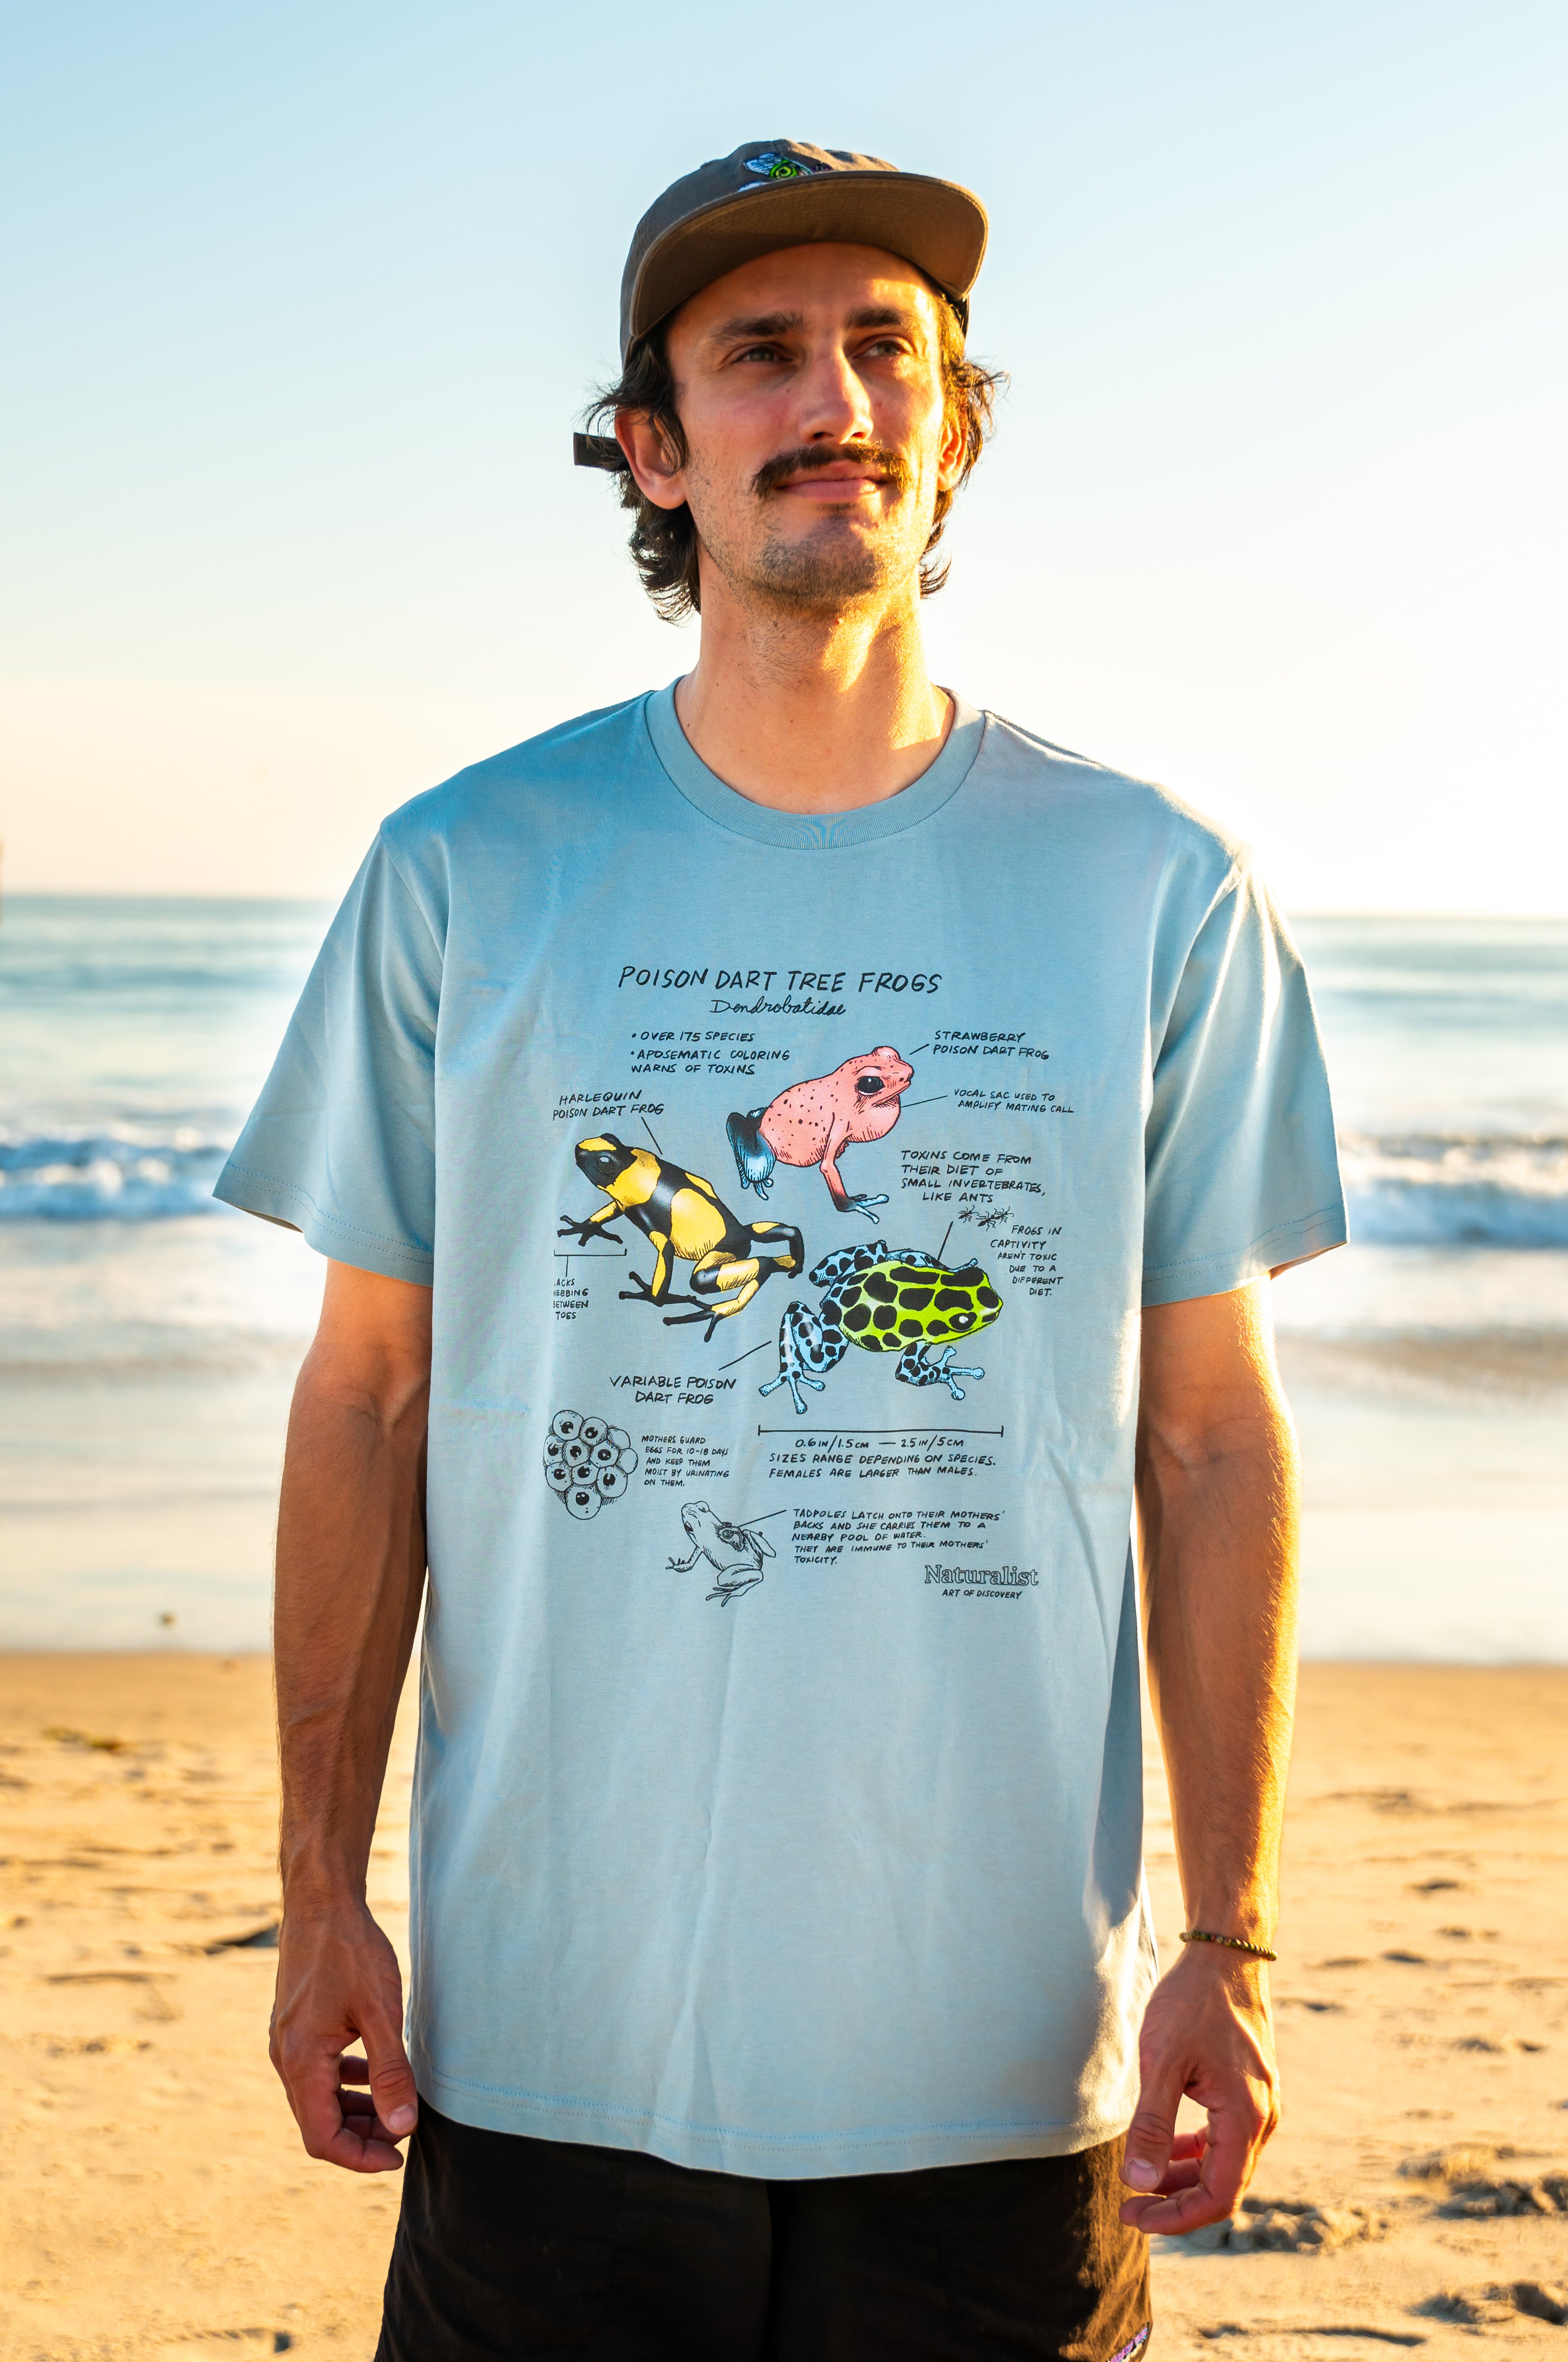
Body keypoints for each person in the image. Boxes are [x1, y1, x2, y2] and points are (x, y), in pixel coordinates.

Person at [218, 137, 1346, 2361]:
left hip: (1002, 2064)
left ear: (950, 432)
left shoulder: (1154, 885)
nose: (831, 394)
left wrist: (1234, 1937)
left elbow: (1208, 1444)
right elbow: (368, 1399)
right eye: (759, 353)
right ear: (655, 448)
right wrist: (313, 1895)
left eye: (883, 349)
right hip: (548, 2043)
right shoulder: (469, 866)